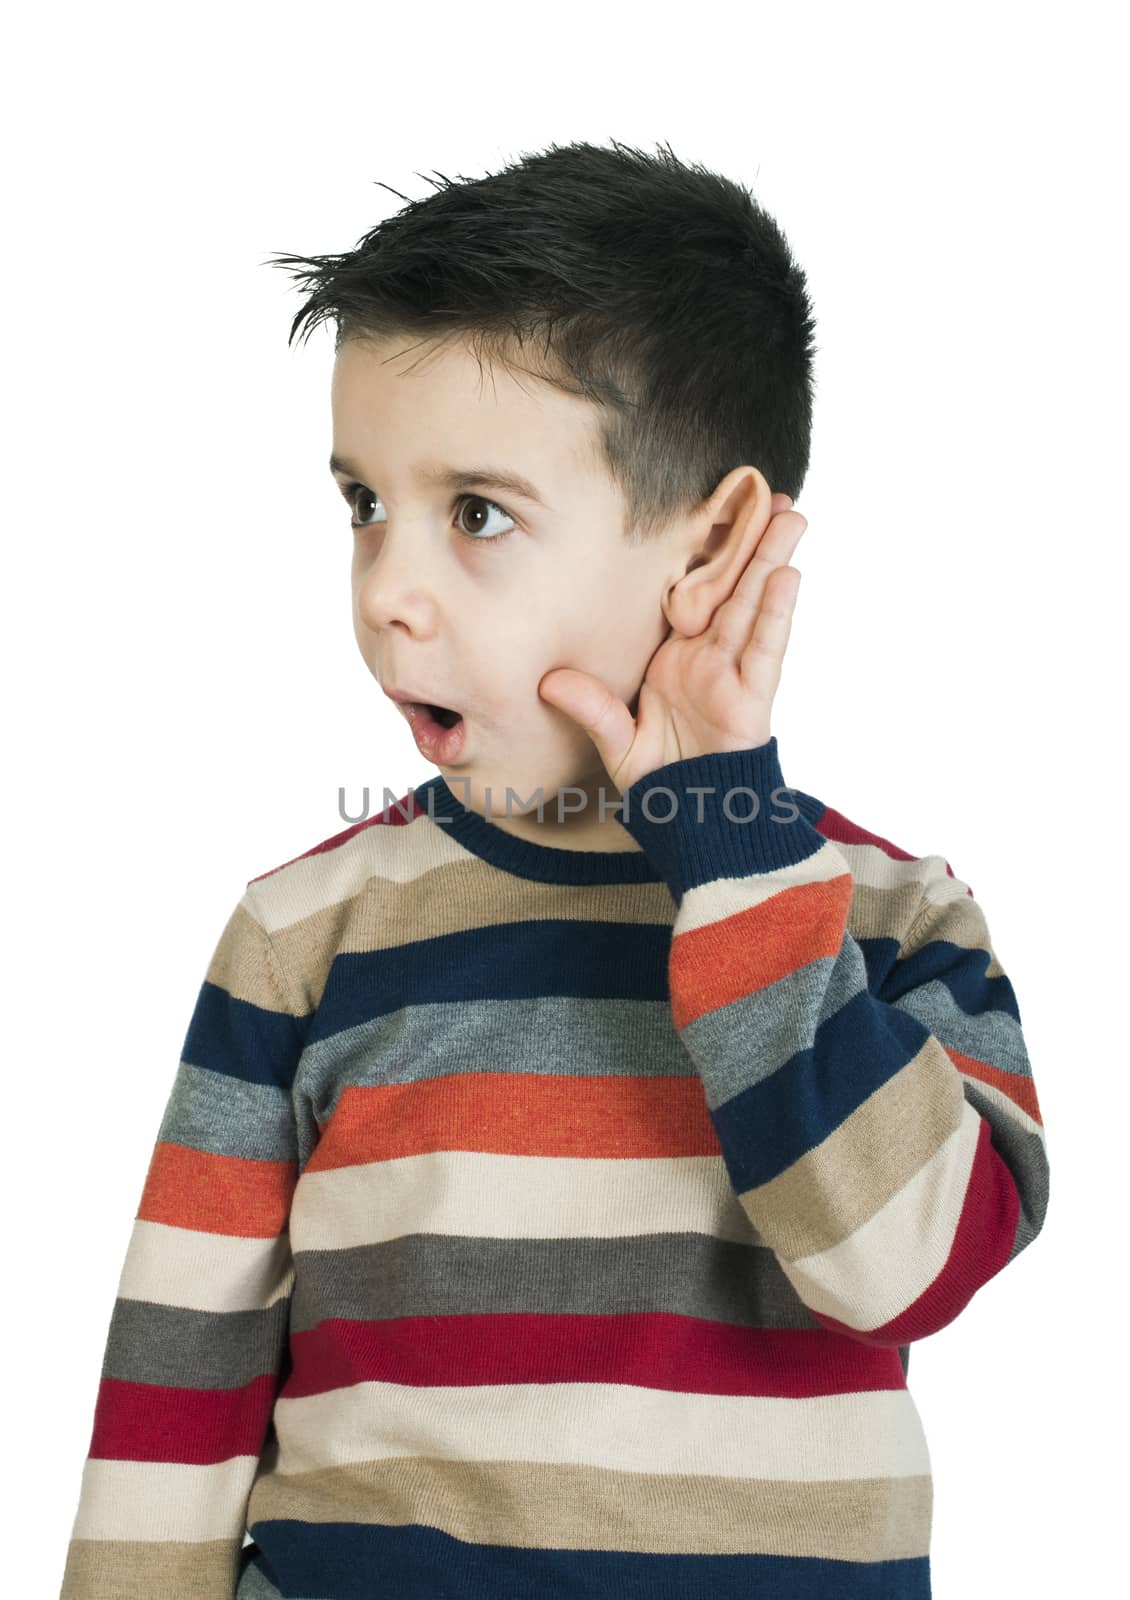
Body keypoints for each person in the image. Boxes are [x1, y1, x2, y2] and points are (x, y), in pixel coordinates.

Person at [59, 138, 1050, 1600]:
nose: (388, 594)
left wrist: (729, 845)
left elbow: (902, 1267)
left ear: (711, 541)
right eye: (361, 504)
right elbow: (172, 1396)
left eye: (476, 513)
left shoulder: (894, 919)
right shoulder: (302, 933)